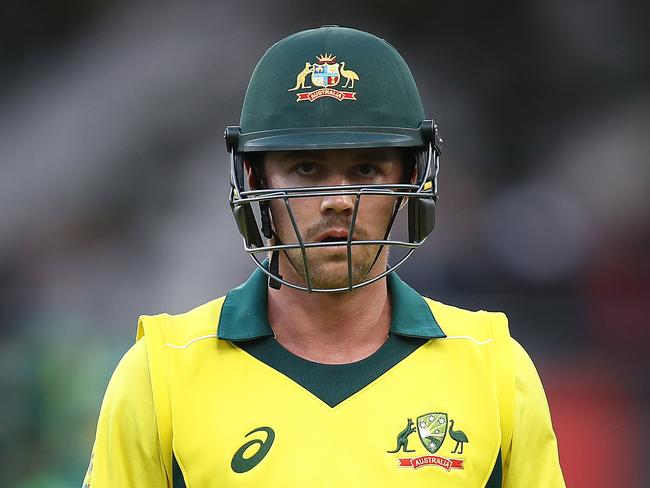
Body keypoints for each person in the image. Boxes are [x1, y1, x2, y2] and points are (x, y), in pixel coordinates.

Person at [83, 26, 565, 487]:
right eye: (307, 167)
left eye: (366, 168)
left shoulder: (494, 368)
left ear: (411, 180)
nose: (338, 199)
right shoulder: (161, 373)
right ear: (256, 181)